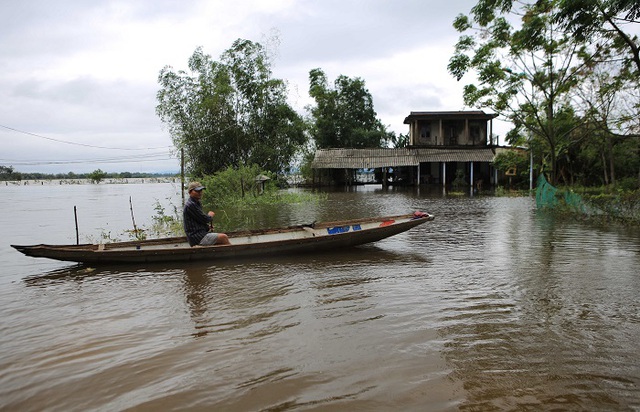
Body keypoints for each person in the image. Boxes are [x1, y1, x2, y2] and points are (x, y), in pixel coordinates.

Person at [183, 181, 230, 246]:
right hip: (196, 237)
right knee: (224, 237)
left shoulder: (196, 203)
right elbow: (204, 219)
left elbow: (198, 221)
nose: (200, 193)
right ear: (190, 192)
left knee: (220, 241)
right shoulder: (191, 205)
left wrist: (207, 227)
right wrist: (210, 216)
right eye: (197, 191)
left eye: (201, 191)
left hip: (199, 234)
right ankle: (234, 254)